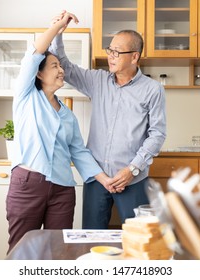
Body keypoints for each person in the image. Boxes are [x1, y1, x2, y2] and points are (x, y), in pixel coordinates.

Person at [6, 14, 113, 253]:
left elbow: (79, 151)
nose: (61, 70)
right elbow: (33, 56)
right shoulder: (26, 97)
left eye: (61, 65)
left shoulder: (67, 114)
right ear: (39, 74)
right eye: (55, 66)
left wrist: (104, 179)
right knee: (22, 250)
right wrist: (57, 27)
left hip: (63, 190)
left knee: (59, 251)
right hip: (28, 185)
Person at [49, 11, 167, 229]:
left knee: (138, 238)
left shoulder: (152, 89)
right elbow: (64, 64)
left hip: (132, 179)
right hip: (97, 178)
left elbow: (157, 134)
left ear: (134, 57)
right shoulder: (97, 80)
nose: (110, 56)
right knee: (92, 239)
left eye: (117, 52)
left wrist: (132, 169)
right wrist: (58, 31)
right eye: (110, 50)